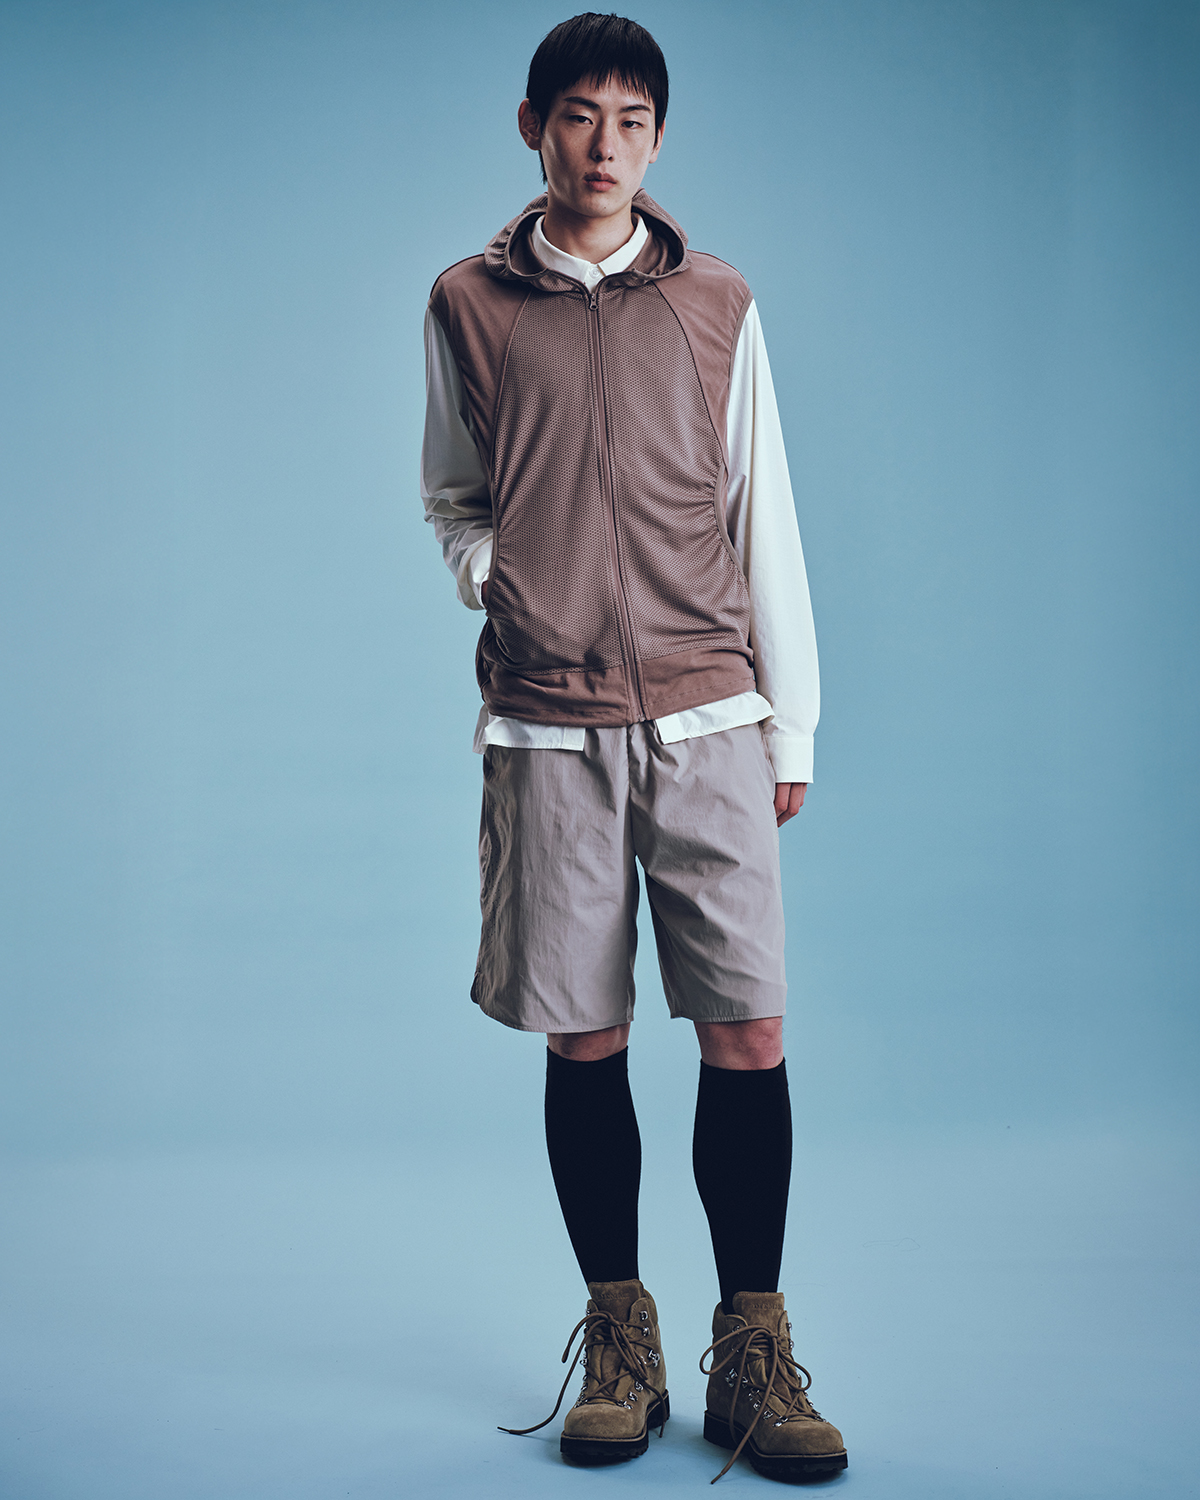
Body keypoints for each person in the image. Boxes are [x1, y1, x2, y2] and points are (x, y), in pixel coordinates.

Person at [421, 12, 847, 1484]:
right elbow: (454, 493)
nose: (605, 147)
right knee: (584, 1031)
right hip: (548, 718)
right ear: (533, 126)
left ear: (659, 139)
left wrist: (791, 718)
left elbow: (760, 506)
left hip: (710, 712)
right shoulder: (468, 303)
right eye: (578, 117)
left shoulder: (715, 301)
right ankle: (619, 1339)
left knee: (747, 1029)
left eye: (632, 122)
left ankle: (753, 1356)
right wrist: (502, 575)